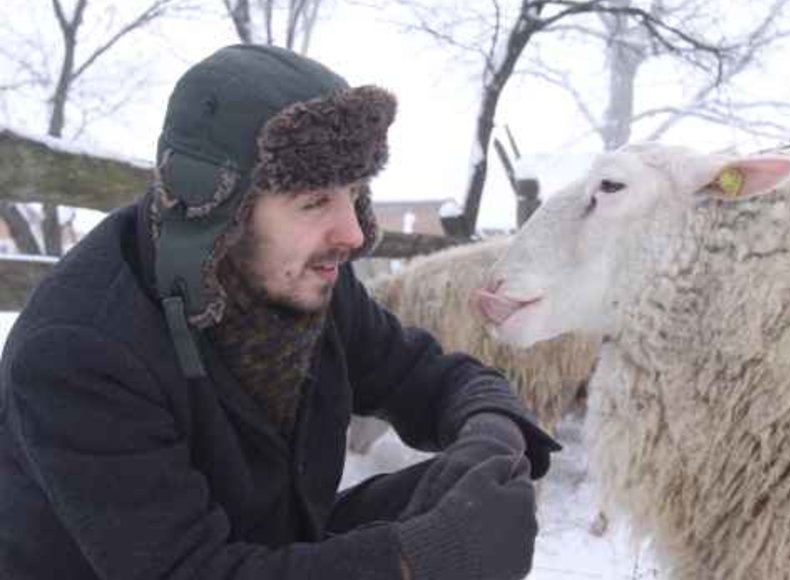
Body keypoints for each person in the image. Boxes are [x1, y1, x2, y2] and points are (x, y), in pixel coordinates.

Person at [0, 45, 560, 580]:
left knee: (452, 492)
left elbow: (420, 374)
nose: (354, 232)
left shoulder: (301, 277)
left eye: (353, 192)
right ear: (219, 212)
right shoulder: (79, 351)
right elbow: (187, 572)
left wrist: (493, 431)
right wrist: (423, 560)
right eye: (314, 201)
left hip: (262, 548)